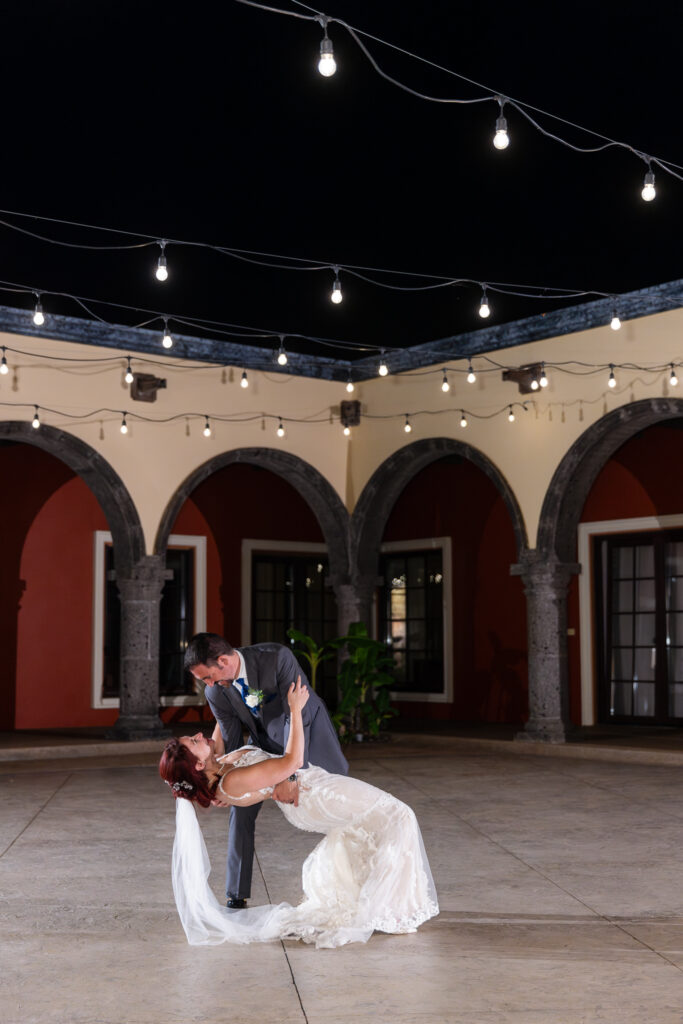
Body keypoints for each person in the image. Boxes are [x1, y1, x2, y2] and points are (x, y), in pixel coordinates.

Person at [159, 678, 439, 949]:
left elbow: (221, 719)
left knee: (366, 827)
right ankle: (393, 911)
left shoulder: (217, 764)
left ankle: (381, 902)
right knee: (399, 814)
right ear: (197, 766)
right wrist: (295, 708)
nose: (198, 735)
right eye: (193, 742)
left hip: (309, 789)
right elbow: (292, 761)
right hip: (312, 795)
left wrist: (217, 683)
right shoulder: (229, 783)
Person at [183, 632, 349, 908]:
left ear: (223, 661)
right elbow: (232, 739)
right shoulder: (217, 691)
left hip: (308, 737)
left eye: (207, 678)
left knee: (341, 808)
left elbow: (297, 716)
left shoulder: (277, 658)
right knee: (240, 809)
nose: (208, 686)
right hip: (262, 747)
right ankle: (236, 893)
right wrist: (225, 785)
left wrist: (288, 774)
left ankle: (347, 885)